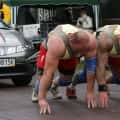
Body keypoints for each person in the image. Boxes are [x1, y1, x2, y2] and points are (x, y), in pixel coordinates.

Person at [38, 24, 98, 114]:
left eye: (85, 49)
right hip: (49, 48)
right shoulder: (56, 44)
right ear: (72, 42)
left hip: (68, 51)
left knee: (67, 79)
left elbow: (91, 68)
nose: (83, 53)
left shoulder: (91, 42)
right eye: (81, 50)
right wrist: (42, 99)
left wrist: (90, 92)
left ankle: (53, 85)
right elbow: (48, 73)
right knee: (46, 77)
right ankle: (37, 92)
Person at [95, 25, 120, 108]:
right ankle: (70, 85)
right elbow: (101, 65)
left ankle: (105, 81)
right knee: (87, 75)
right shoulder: (105, 41)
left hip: (113, 50)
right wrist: (102, 89)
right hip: (100, 47)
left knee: (117, 77)